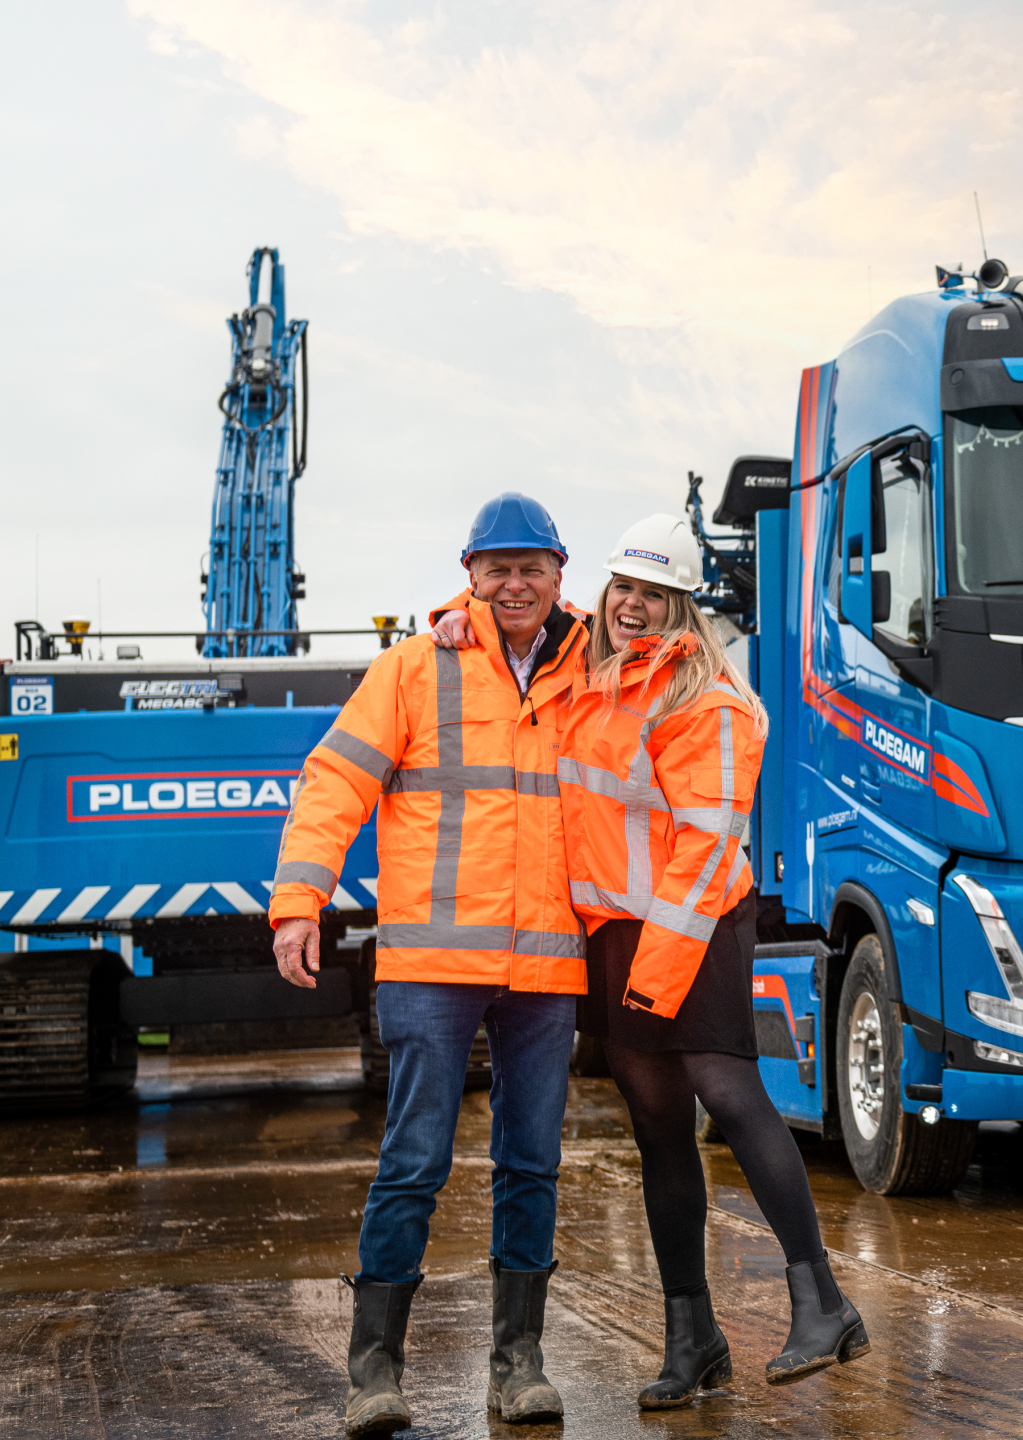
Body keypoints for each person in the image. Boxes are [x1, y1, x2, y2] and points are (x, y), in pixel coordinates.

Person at [269, 492, 591, 1437]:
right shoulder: (414, 669)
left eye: (532, 568)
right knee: (414, 1162)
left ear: (559, 575)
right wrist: (299, 903)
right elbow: (333, 783)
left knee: (531, 1164)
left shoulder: (591, 673)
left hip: (546, 969)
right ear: (469, 576)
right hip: (432, 965)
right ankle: (374, 1372)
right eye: (498, 569)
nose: (515, 584)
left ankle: (519, 1365)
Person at [558, 512, 867, 1409]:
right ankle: (691, 1335)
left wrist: (654, 978)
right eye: (623, 587)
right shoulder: (600, 675)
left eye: (655, 593)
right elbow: (520, 615)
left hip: (692, 927)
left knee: (729, 1095)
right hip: (616, 930)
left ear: (684, 605)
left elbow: (701, 852)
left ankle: (823, 1302)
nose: (633, 605)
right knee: (657, 1126)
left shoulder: (710, 703)